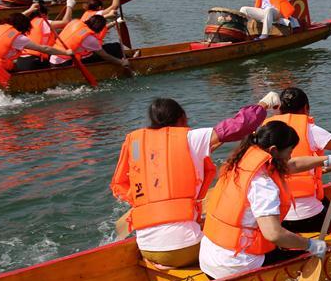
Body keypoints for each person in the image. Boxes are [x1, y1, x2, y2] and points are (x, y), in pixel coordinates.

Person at [110, 93, 281, 268]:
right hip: (185, 249)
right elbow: (240, 125)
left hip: (146, 248)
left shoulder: (136, 144)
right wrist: (264, 104)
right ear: (182, 117)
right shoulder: (191, 138)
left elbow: (123, 183)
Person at [199, 121, 331, 279]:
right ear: (273, 150)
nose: (291, 156)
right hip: (236, 266)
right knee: (315, 254)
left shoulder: (241, 163)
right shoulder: (263, 184)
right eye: (290, 151)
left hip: (208, 259)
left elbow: (293, 165)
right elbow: (274, 234)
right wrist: (311, 245)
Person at [265, 87, 331, 233]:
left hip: (277, 217)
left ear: (279, 108)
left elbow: (310, 166)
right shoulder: (310, 129)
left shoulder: (265, 131)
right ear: (306, 108)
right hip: (309, 218)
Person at [0, 14, 73, 78]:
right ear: (23, 28)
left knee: (14, 67)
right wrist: (66, 52)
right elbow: (45, 48)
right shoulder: (17, 38)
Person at [16, 0, 76, 71]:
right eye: (48, 15)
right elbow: (65, 22)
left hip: (21, 61)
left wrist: (30, 10)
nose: (48, 17)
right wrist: (70, 6)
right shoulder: (43, 22)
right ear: (43, 14)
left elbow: (16, 20)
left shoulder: (25, 23)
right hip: (35, 62)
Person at [49, 14, 130, 69]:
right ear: (99, 29)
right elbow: (105, 56)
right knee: (115, 47)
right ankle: (125, 62)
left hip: (53, 60)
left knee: (109, 48)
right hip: (66, 63)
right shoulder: (90, 39)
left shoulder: (74, 22)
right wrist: (121, 62)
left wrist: (112, 23)